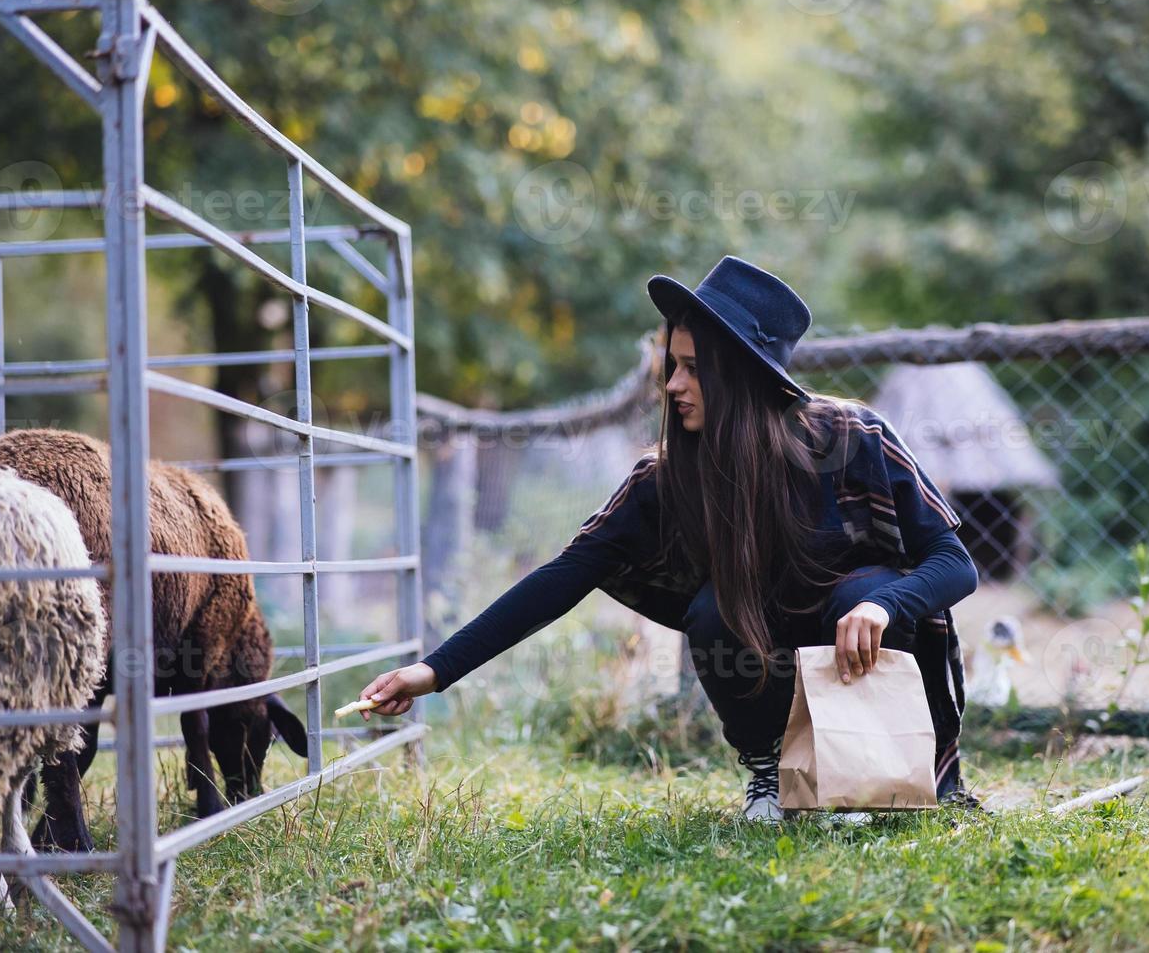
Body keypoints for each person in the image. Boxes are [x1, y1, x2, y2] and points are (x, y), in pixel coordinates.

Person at [358, 255, 981, 821]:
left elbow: (955, 564)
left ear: (737, 373)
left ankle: (871, 780)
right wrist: (434, 671)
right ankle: (771, 777)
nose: (672, 386)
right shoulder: (667, 478)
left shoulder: (855, 438)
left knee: (865, 593)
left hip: (867, 645)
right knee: (714, 610)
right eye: (670, 367)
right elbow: (564, 576)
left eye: (690, 368)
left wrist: (884, 604)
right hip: (770, 655)